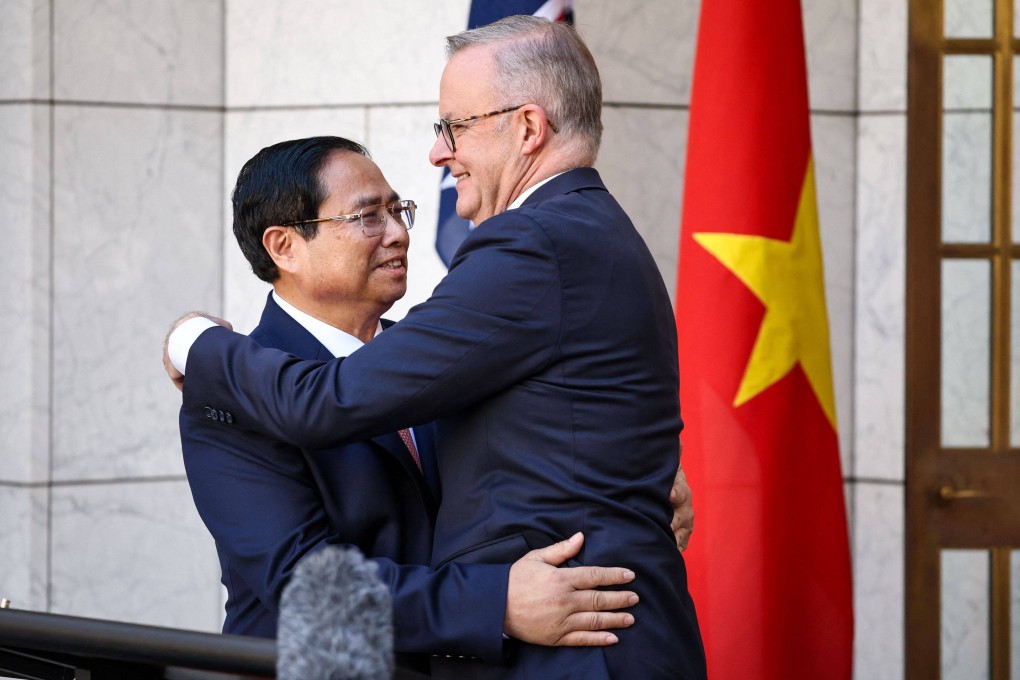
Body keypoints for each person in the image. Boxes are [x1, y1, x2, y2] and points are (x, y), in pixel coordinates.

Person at [166, 15, 705, 679]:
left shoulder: (526, 254)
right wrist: (497, 602)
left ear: (528, 128)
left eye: (454, 127)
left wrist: (631, 471)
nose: (399, 231)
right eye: (368, 215)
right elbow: (303, 585)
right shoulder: (234, 395)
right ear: (284, 246)